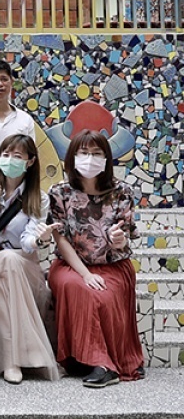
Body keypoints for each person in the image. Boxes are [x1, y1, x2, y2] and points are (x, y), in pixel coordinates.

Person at [48, 131, 141, 387]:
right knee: (76, 286)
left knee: (105, 295)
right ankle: (86, 360)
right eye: (84, 153)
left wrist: (119, 238)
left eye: (97, 153)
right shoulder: (59, 193)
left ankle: (103, 364)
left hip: (113, 265)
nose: (90, 159)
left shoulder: (122, 191)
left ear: (107, 158)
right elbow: (61, 239)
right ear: (72, 157)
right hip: (71, 264)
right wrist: (86, 274)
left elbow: (126, 233)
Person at [0, 133, 59, 384]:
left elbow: (28, 243)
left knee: (9, 263)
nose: (10, 160)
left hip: (23, 261)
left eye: (17, 156)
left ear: (29, 162)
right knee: (4, 263)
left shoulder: (38, 197)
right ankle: (15, 359)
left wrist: (41, 239)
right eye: (5, 155)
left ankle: (10, 359)